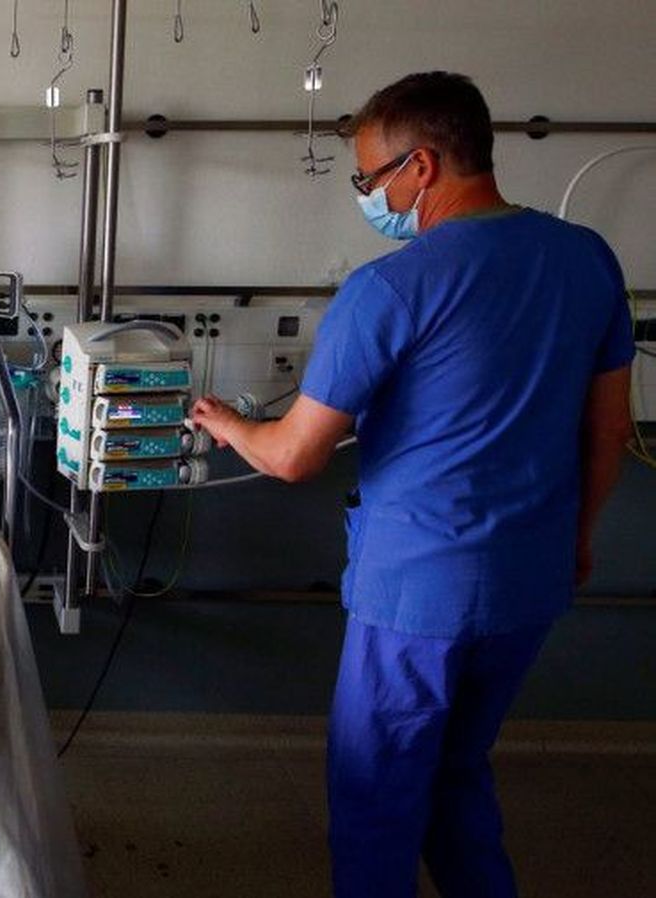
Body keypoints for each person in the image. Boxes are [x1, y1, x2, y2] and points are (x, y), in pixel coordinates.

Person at [190, 71, 636, 898]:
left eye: (369, 180)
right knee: (458, 775)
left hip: (420, 594)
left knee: (377, 798)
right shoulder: (587, 260)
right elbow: (609, 428)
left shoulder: (389, 288)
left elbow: (293, 456)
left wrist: (228, 426)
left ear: (421, 167)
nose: (368, 197)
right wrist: (576, 540)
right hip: (531, 578)